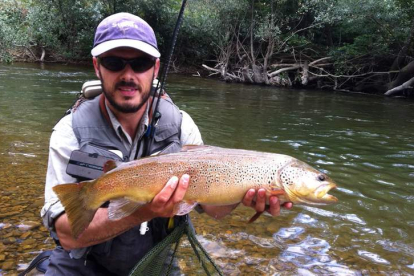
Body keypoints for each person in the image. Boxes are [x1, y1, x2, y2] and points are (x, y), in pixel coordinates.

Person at [41, 12, 292, 275]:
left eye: (141, 63)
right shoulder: (69, 132)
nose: (128, 75)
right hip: (83, 265)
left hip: (154, 260)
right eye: (114, 62)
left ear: (156, 68)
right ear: (97, 66)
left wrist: (241, 196)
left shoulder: (181, 127)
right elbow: (68, 236)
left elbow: (213, 210)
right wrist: (144, 210)